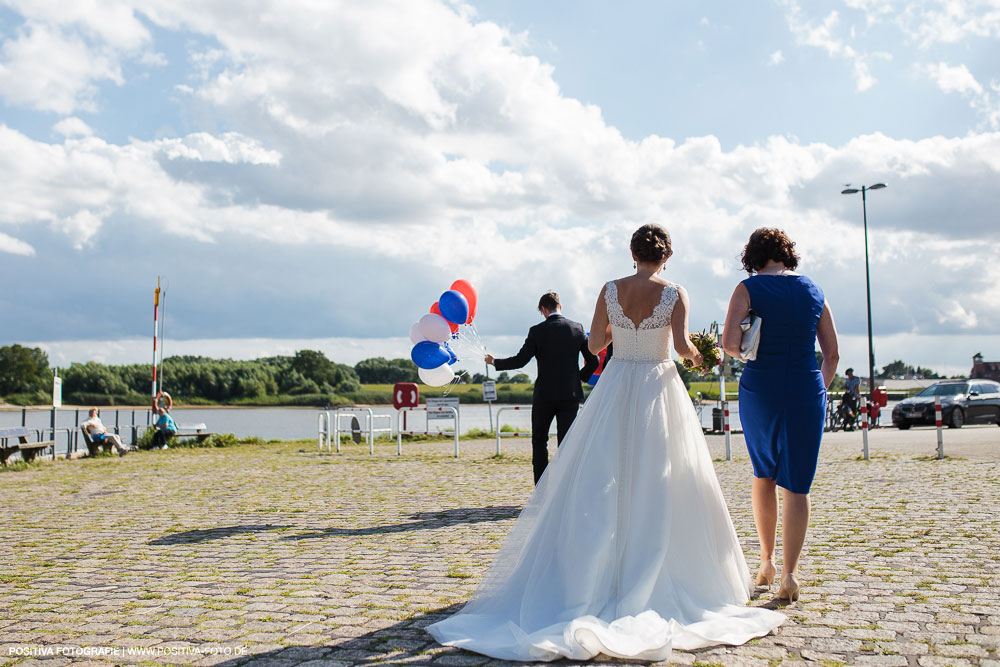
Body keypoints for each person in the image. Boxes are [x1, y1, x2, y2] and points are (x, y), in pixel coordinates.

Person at [428, 224, 785, 662]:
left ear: (632, 253)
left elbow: (596, 343)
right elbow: (680, 345)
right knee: (663, 476)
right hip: (658, 385)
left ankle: (595, 574)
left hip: (617, 384)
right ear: (666, 257)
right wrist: (699, 356)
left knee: (601, 475)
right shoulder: (675, 293)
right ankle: (653, 567)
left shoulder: (610, 290)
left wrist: (620, 330)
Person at [722, 227, 839, 603]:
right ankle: (791, 573)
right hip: (806, 386)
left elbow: (729, 344)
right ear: (788, 254)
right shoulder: (813, 289)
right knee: (798, 483)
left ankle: (768, 562)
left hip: (762, 388)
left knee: (764, 473)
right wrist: (818, 386)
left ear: (753, 258)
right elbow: (832, 354)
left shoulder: (749, 288)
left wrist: (747, 349)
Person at [485, 291, 598, 484]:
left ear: (544, 310)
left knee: (539, 441)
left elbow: (520, 361)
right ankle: (566, 487)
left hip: (544, 395)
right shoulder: (576, 328)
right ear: (560, 307)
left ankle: (542, 488)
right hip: (569, 395)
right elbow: (593, 361)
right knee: (567, 443)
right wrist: (579, 378)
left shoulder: (537, 331)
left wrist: (495, 361)